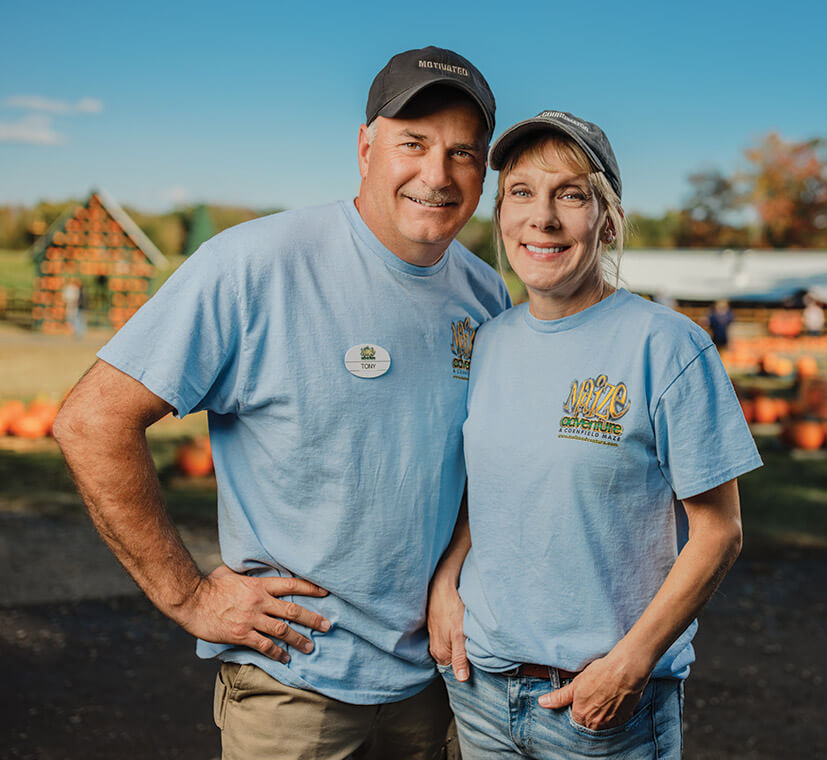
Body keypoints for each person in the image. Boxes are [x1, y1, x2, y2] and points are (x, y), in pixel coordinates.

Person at [52, 46, 511, 760]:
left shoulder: (487, 298)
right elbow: (91, 419)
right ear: (365, 148)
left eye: (464, 153)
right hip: (296, 685)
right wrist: (190, 597)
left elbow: (492, 466)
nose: (438, 174)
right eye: (413, 144)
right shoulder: (255, 266)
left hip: (439, 686)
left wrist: (454, 571)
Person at [426, 111, 763, 759]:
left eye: (570, 194)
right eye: (521, 193)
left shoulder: (668, 347)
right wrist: (449, 579)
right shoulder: (489, 342)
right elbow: (496, 486)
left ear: (607, 220)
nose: (542, 218)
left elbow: (720, 531)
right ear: (500, 216)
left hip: (600, 708)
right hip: (480, 691)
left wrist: (631, 665)